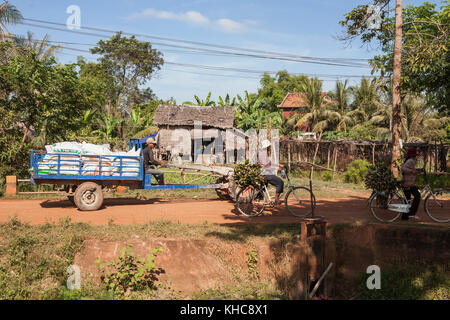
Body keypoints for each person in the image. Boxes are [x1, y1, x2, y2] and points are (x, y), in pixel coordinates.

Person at [258, 139, 284, 206]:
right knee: (280, 182)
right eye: (269, 146)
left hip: (265, 173)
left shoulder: (264, 153)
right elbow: (267, 166)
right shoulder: (263, 154)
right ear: (267, 147)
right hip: (265, 174)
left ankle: (259, 198)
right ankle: (276, 200)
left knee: (262, 189)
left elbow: (270, 163)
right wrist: (277, 168)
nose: (270, 147)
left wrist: (279, 165)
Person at [400, 147, 422, 221]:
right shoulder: (411, 161)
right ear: (413, 155)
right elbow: (403, 168)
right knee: (417, 196)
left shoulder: (409, 160)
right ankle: (412, 213)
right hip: (408, 183)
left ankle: (405, 217)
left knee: (407, 199)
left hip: (407, 181)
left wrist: (416, 171)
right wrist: (412, 171)